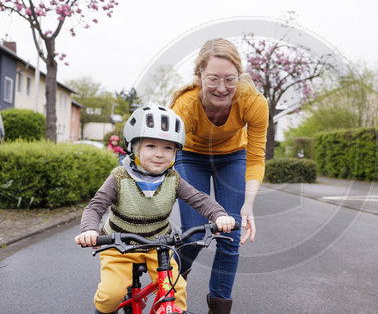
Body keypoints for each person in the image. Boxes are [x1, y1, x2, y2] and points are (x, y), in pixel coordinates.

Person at [74, 105, 236, 314]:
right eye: (151, 145)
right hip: (118, 246)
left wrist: (219, 215)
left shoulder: (173, 179)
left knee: (176, 293)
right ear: (134, 147)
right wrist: (89, 230)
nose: (160, 154)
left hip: (157, 247)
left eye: (168, 148)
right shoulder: (119, 177)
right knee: (110, 296)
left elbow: (199, 199)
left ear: (176, 151)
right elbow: (95, 207)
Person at [169, 38, 269, 313]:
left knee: (230, 235)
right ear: (199, 75)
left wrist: (247, 205)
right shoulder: (184, 106)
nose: (222, 88)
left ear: (239, 76)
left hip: (232, 157)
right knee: (193, 235)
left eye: (230, 79)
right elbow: (167, 154)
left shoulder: (253, 102)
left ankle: (219, 307)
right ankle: (172, 287)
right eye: (213, 79)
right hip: (190, 156)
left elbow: (256, 157)